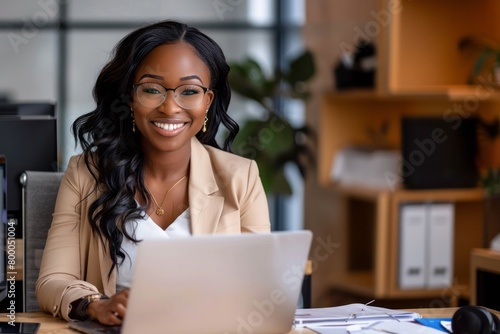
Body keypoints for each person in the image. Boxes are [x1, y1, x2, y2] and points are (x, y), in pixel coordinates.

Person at [36, 20, 270, 325]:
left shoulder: (242, 177)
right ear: (131, 97)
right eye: (152, 89)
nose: (170, 108)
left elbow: (262, 288)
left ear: (207, 102)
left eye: (189, 91)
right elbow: (52, 281)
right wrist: (96, 306)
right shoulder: (85, 174)